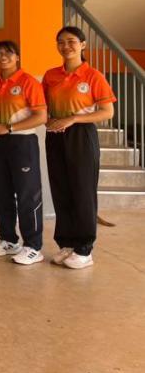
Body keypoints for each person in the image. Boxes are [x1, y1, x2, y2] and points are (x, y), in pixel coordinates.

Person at [42, 26, 116, 270]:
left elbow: (107, 112)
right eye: (61, 42)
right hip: (55, 135)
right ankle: (67, 243)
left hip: (81, 135)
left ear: (83, 45)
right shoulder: (51, 75)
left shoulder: (93, 76)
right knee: (61, 189)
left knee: (82, 191)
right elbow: (42, 106)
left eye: (71, 41)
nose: (66, 46)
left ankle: (84, 249)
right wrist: (48, 120)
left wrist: (73, 119)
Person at [0, 40, 48, 265]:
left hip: (22, 143)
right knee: (1, 193)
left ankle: (33, 246)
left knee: (27, 195)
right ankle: (8, 240)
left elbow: (41, 116)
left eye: (8, 53)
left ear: (17, 57)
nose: (3, 57)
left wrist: (9, 128)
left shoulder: (28, 82)